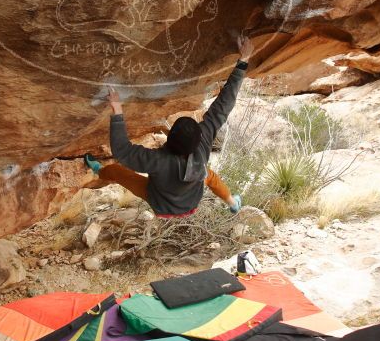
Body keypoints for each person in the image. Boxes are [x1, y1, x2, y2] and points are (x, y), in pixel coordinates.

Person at [84, 35, 253, 218]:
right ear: (200, 140)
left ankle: (98, 170)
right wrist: (242, 62)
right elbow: (223, 107)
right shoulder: (203, 144)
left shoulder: (157, 160)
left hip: (160, 202)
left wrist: (116, 107)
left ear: (169, 138)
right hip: (191, 200)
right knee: (210, 177)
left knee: (117, 172)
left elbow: (122, 151)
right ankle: (232, 202)